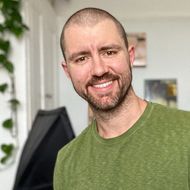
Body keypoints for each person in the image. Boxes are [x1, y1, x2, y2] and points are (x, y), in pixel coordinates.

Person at [54, 7, 190, 190]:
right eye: (82, 58)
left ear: (130, 56)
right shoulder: (66, 162)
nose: (99, 70)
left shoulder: (185, 132)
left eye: (109, 52)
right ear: (67, 70)